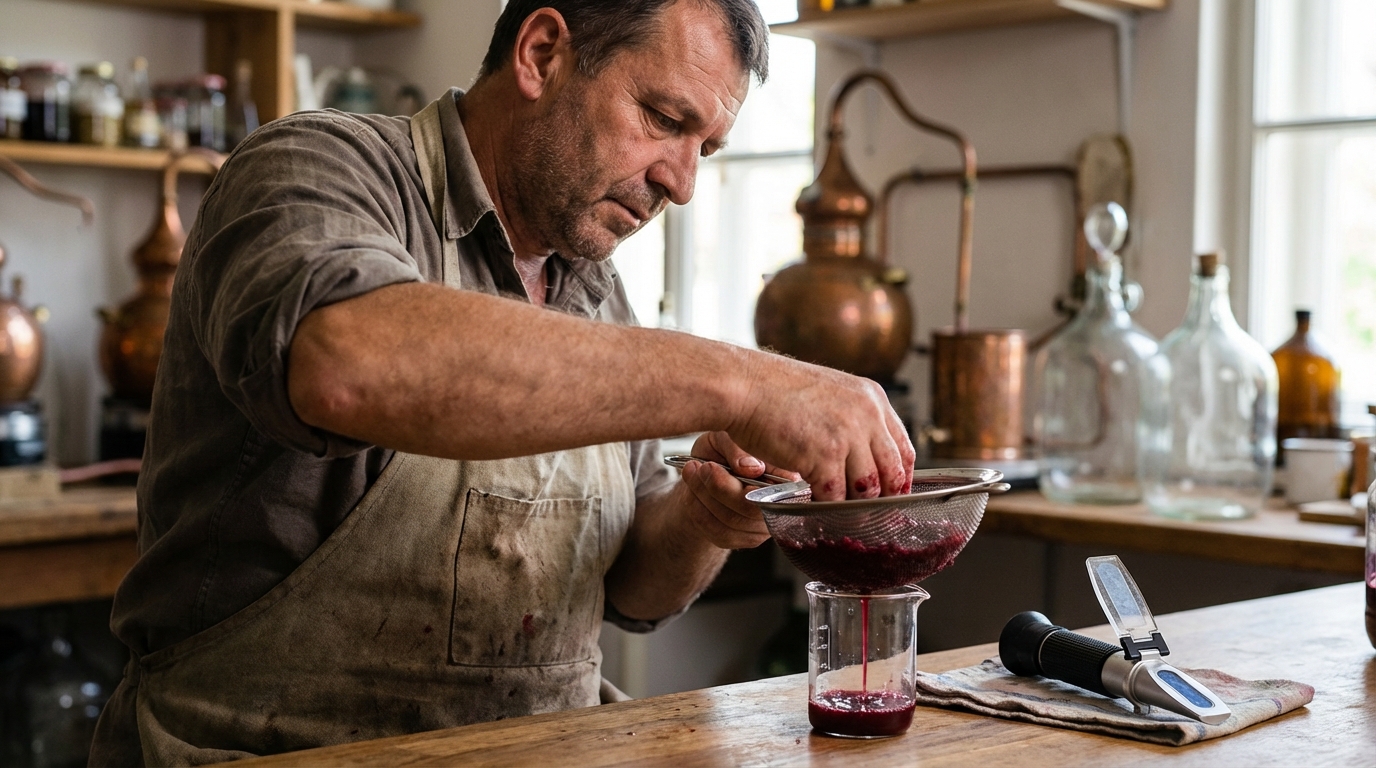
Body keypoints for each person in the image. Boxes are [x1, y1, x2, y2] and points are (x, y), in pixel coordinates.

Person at [90, 0, 915, 763]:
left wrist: (706, 511)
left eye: (706, 149)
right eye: (665, 120)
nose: (683, 183)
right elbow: (347, 362)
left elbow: (631, 591)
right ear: (542, 52)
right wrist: (743, 383)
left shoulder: (595, 288)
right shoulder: (316, 166)